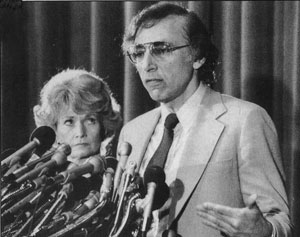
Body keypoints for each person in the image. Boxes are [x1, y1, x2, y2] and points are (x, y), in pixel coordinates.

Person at [118, 2, 292, 237]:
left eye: (161, 49)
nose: (147, 65)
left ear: (197, 56)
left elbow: (280, 222)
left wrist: (264, 231)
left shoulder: (244, 120)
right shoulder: (133, 131)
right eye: (138, 53)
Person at [33, 69, 122, 165]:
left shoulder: (118, 175)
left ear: (103, 126)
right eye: (69, 122)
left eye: (90, 120)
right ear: (54, 130)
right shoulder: (40, 177)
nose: (80, 133)